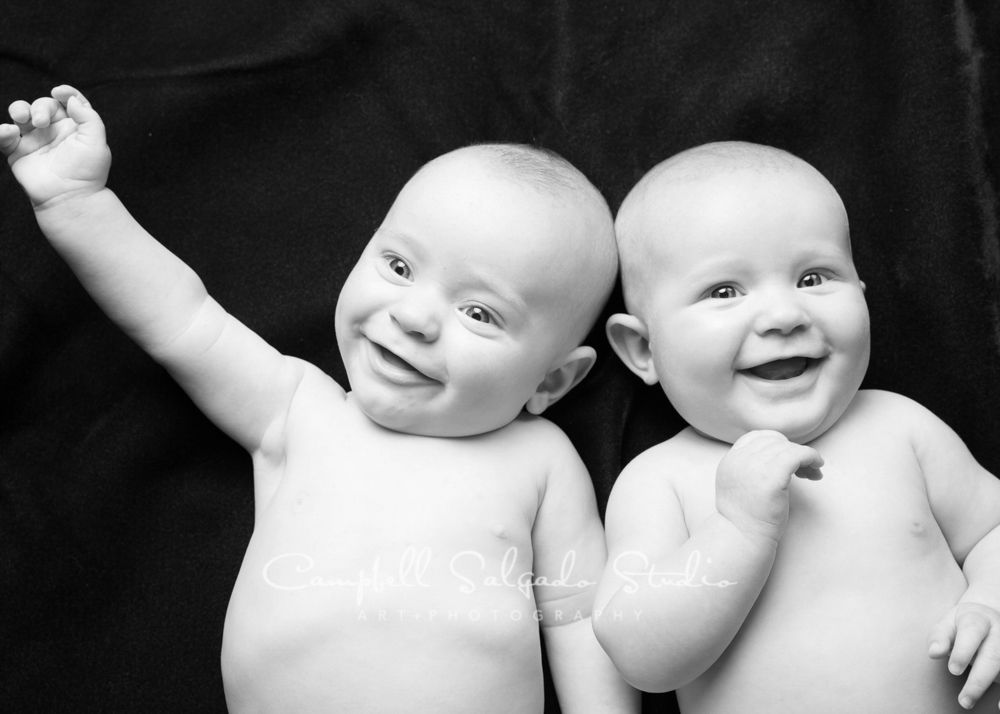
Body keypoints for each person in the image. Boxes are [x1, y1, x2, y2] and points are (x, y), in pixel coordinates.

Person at [1, 86, 638, 714]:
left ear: (550, 383)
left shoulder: (541, 460)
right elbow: (180, 319)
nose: (414, 316)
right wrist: (77, 202)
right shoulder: (298, 408)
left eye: (478, 311)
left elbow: (579, 616)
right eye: (398, 266)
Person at [593, 141, 1000, 712]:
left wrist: (991, 603)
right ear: (643, 348)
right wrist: (736, 532)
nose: (786, 316)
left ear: (862, 297)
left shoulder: (900, 427)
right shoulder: (661, 479)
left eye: (814, 278)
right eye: (724, 291)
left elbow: (991, 532)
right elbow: (638, 657)